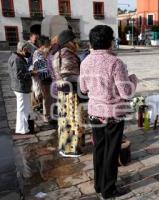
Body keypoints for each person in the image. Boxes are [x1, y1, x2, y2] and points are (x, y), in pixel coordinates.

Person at [80, 25, 138, 199]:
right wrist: (133, 80)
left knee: (99, 149)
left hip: (95, 113)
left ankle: (99, 185)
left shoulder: (85, 62)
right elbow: (126, 92)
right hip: (113, 113)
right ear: (110, 42)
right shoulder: (116, 63)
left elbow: (83, 89)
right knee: (111, 152)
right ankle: (108, 190)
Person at [52, 30, 85, 157]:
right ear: (68, 42)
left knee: (65, 120)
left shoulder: (59, 53)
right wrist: (83, 78)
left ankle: (65, 147)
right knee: (72, 120)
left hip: (63, 93)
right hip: (70, 92)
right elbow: (68, 76)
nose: (75, 43)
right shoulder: (66, 54)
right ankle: (70, 149)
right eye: (73, 40)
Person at [8, 41, 37, 134]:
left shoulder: (16, 57)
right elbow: (19, 75)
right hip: (21, 88)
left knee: (25, 108)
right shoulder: (17, 59)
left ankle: (25, 127)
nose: (29, 52)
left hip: (21, 87)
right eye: (28, 50)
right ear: (23, 49)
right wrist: (32, 73)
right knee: (22, 109)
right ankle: (22, 129)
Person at [32, 36, 52, 122]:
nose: (49, 46)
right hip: (44, 79)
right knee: (46, 98)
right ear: (42, 46)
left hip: (47, 78)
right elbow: (42, 69)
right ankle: (46, 116)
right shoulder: (38, 54)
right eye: (48, 44)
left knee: (48, 98)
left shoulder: (43, 53)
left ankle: (49, 114)